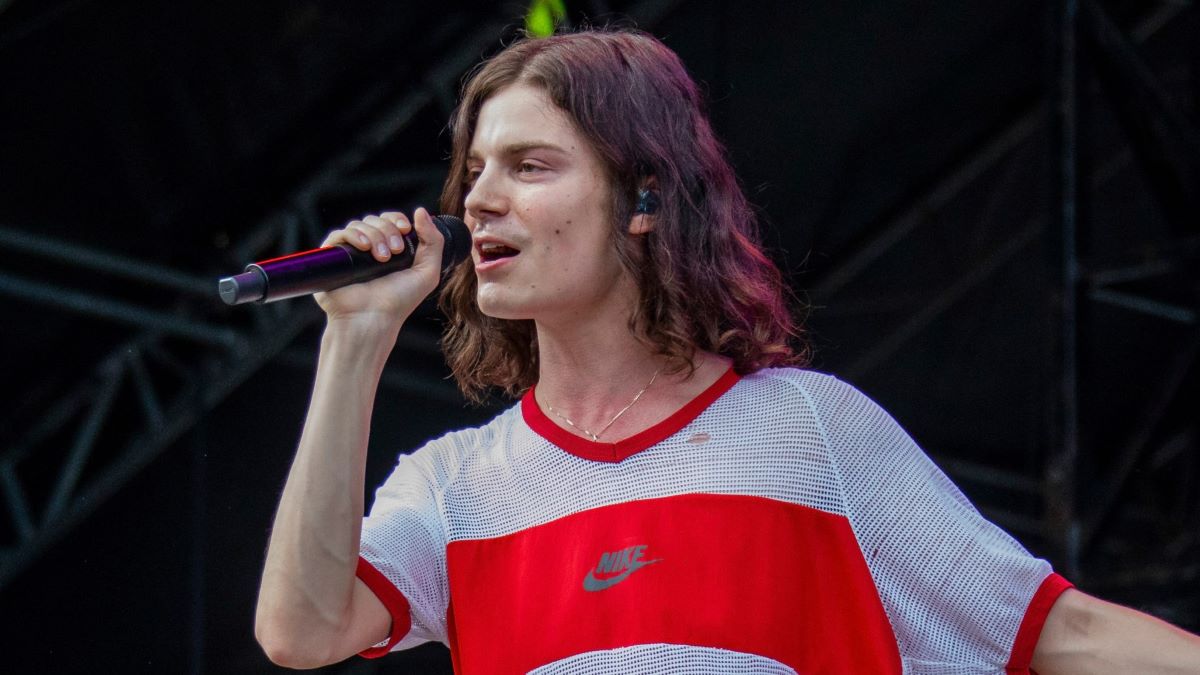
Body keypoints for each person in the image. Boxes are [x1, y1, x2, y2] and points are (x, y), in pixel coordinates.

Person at [254, 28, 1200, 673]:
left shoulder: (807, 431)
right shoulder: (456, 486)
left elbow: (1052, 628)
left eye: (530, 166)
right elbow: (300, 629)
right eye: (475, 171)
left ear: (644, 199)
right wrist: (358, 337)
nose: (479, 199)